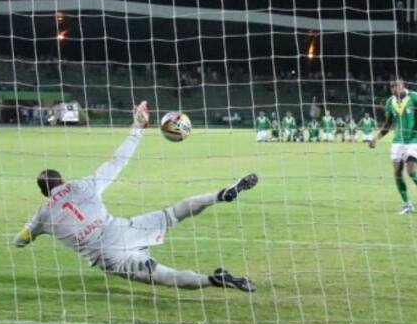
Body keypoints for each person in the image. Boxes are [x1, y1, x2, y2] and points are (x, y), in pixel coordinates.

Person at [14, 102, 257, 292]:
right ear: (63, 181)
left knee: (163, 276)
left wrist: (29, 233)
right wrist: (138, 128)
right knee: (174, 213)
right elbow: (117, 161)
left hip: (108, 254)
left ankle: (213, 280)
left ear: (45, 193)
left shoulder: (43, 214)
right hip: (121, 229)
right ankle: (219, 194)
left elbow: (20, 240)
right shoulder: (82, 186)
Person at [370, 76, 417, 214]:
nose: (393, 88)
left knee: (411, 171)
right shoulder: (389, 102)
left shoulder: (415, 97)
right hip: (398, 141)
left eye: (396, 85)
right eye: (391, 86)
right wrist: (376, 138)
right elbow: (388, 124)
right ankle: (407, 204)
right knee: (397, 173)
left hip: (414, 139)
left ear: (402, 85)